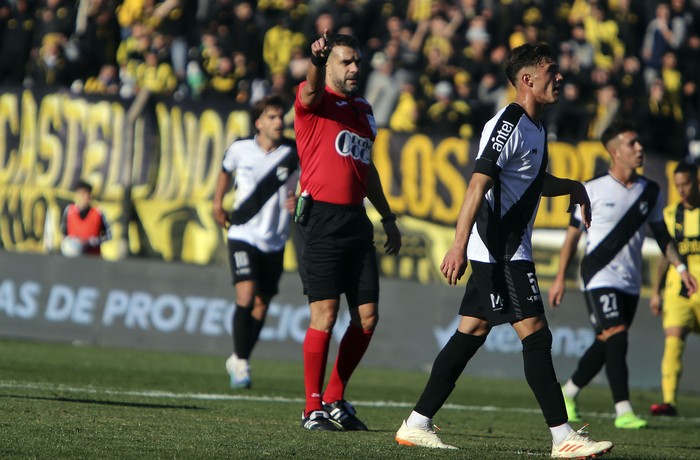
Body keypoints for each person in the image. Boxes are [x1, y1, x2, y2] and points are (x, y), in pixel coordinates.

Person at [394, 42, 613, 458]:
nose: (560, 77)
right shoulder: (510, 121)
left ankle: (416, 423)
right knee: (536, 333)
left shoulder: (536, 126)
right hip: (500, 250)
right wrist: (458, 246)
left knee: (471, 332)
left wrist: (572, 186)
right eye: (552, 70)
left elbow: (532, 180)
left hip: (502, 249)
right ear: (527, 79)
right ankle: (562, 436)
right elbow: (478, 183)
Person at [549, 121, 698, 429]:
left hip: (630, 281)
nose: (640, 148)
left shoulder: (651, 191)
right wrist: (561, 276)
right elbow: (572, 236)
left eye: (639, 142)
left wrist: (681, 267)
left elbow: (662, 234)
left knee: (607, 341)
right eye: (632, 143)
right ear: (615, 151)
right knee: (617, 335)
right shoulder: (591, 189)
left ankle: (568, 392)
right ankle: (623, 410)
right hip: (598, 275)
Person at [293, 31, 402, 431]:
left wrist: (387, 216)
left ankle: (336, 396)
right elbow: (308, 90)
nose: (354, 68)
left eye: (357, 61)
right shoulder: (317, 102)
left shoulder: (364, 108)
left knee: (368, 317)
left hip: (356, 219)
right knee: (324, 314)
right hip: (320, 218)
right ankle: (312, 406)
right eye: (345, 61)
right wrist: (317, 61)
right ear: (330, 64)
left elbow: (365, 169)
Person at [213, 95, 299, 389]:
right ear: (258, 123)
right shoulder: (240, 149)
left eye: (281, 117)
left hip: (274, 239)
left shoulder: (293, 152)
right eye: (272, 117)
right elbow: (225, 172)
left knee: (261, 305)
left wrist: (299, 198)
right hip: (243, 233)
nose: (279, 122)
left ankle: (239, 358)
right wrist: (217, 204)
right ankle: (242, 362)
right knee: (246, 296)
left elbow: (308, 183)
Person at [648, 162, 700, 416]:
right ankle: (669, 401)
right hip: (677, 291)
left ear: (697, 182)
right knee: (673, 341)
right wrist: (656, 291)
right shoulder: (669, 214)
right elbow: (663, 257)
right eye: (677, 185)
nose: (681, 190)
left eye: (686, 184)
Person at [60, 179, 111, 257]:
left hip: (92, 258)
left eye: (87, 194)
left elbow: (108, 235)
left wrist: (91, 242)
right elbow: (63, 234)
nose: (85, 197)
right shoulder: (69, 211)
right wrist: (72, 242)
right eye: (82, 194)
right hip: (73, 259)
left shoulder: (98, 213)